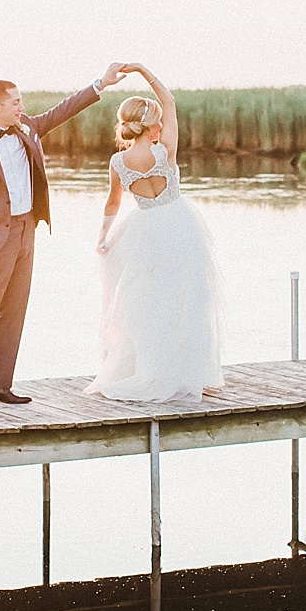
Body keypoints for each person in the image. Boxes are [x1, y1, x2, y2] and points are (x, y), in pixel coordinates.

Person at [0, 64, 127, 412]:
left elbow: (63, 110)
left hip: (28, 228)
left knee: (14, 310)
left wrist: (101, 83)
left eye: (21, 100)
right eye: (14, 102)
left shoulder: (27, 127)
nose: (21, 106)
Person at [87, 63, 224, 402]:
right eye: (158, 121)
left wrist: (103, 237)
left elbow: (112, 203)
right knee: (187, 298)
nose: (163, 124)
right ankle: (185, 372)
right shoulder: (164, 151)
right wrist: (143, 71)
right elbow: (171, 102)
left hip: (143, 231)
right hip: (178, 226)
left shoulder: (118, 163)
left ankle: (148, 368)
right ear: (150, 126)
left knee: (147, 303)